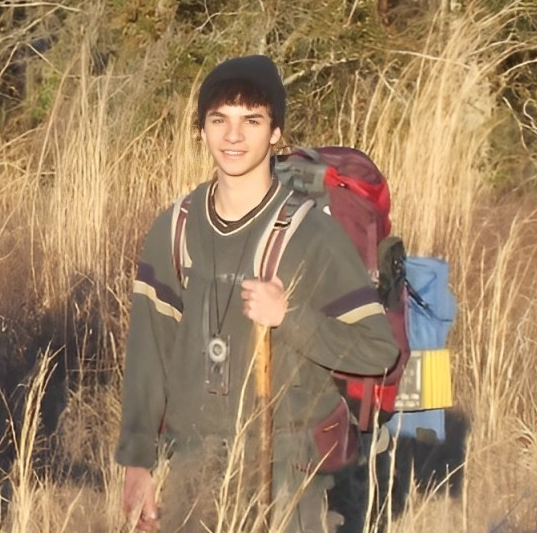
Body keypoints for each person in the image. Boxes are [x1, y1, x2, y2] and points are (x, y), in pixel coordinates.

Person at [115, 55, 399, 533]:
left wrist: (289, 317)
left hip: (286, 472)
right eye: (219, 119)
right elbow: (149, 352)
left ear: (275, 134)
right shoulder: (174, 228)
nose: (233, 135)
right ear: (202, 129)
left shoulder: (312, 234)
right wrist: (138, 461)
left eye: (252, 120)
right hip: (193, 467)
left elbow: (378, 351)